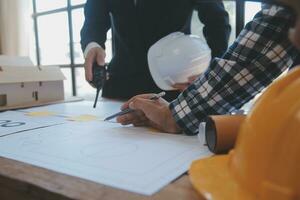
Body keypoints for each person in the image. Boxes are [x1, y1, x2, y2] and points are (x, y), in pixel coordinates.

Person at [116, 2, 300, 135]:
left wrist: (208, 70)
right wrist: (173, 115)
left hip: (179, 80)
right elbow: (275, 30)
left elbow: (220, 20)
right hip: (123, 78)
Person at [80, 0, 231, 101]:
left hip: (176, 87)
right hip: (120, 84)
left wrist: (211, 69)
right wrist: (93, 46)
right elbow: (93, 22)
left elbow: (217, 21)